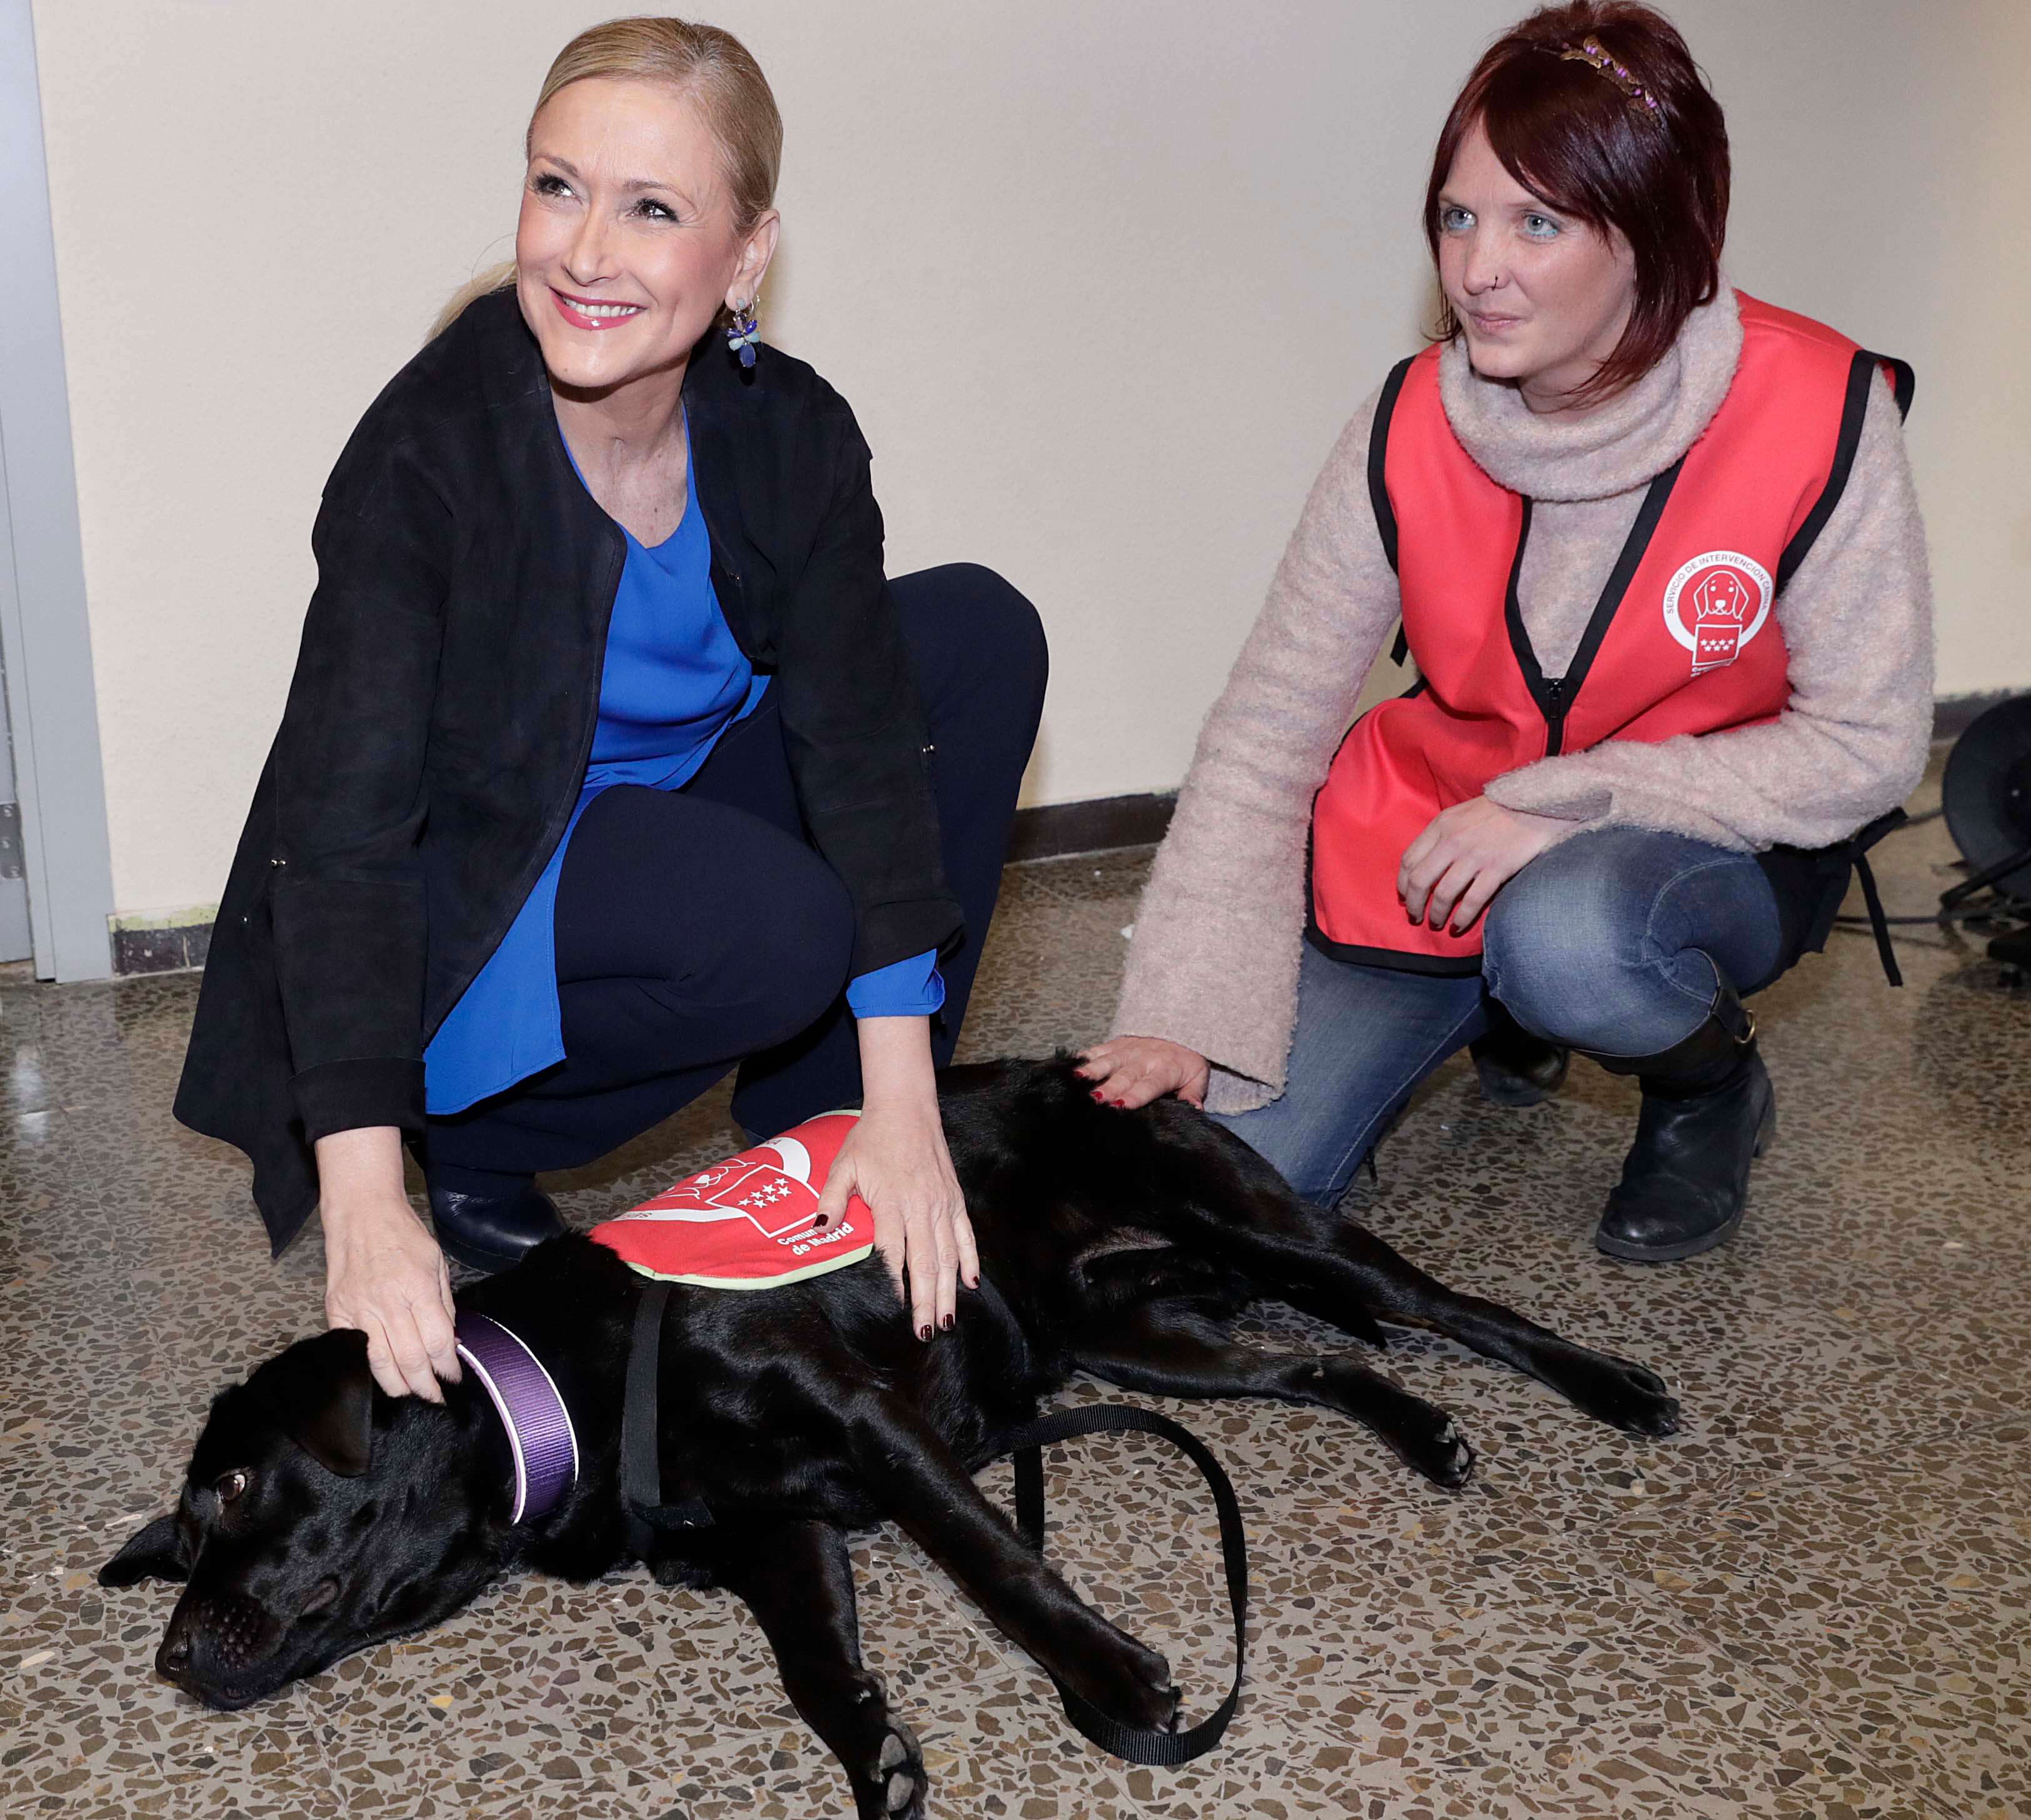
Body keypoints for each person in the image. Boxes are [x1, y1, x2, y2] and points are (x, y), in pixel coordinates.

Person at [175, 18, 1047, 1402]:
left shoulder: (790, 429)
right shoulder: (429, 452)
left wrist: (903, 1101)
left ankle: (829, 1141)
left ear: (746, 254)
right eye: (557, 185)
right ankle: (468, 1144)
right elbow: (339, 835)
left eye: (653, 209)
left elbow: (864, 742)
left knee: (977, 631)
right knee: (773, 926)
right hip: (472, 887)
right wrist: (363, 1191)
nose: (586, 250)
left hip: (669, 828)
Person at [1081, 0, 1931, 1265]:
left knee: (1569, 935)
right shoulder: (1406, 418)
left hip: (1681, 847)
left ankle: (1703, 1088)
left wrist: (1566, 803)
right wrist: (1181, 1010)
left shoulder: (1815, 408)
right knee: (1230, 1197)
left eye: (1539, 222)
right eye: (1459, 216)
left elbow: (1866, 743)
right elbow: (1268, 733)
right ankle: (1498, 1005)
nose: (1479, 267)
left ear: (1657, 232)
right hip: (1431, 845)